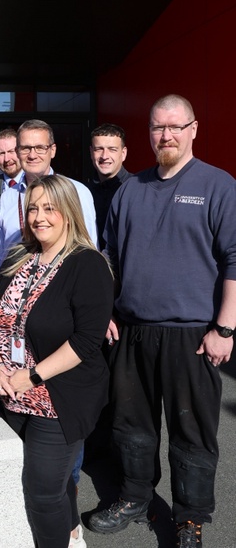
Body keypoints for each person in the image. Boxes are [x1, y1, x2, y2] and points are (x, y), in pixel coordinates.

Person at [88, 95, 236, 547]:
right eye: (157, 128)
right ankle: (135, 495)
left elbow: (235, 258)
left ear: (193, 129)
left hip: (193, 335)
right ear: (148, 134)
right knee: (131, 426)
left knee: (191, 430)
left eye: (175, 126)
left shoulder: (218, 185)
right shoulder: (131, 190)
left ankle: (191, 517)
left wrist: (225, 329)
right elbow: (109, 258)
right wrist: (106, 310)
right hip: (132, 332)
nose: (166, 135)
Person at [0, 175, 113, 548]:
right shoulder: (17, 256)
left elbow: (87, 341)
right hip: (6, 392)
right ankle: (71, 531)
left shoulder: (87, 264)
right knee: (54, 487)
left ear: (69, 213)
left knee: (41, 492)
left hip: (56, 397)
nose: (39, 217)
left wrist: (33, 376)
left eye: (49, 208)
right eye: (33, 209)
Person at [0, 119, 98, 289]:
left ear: (52, 150)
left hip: (61, 292)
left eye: (40, 148)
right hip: (13, 297)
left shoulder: (77, 192)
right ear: (17, 151)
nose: (32, 155)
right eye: (25, 148)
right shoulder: (8, 197)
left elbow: (89, 249)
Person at [86, 123, 131, 250]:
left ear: (123, 153)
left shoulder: (137, 189)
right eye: (98, 149)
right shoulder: (83, 193)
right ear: (91, 152)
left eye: (112, 149)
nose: (104, 156)